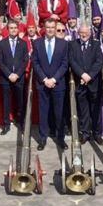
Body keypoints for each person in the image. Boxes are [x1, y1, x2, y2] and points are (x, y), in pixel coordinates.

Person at [31, 17, 69, 150]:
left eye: (53, 28)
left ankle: (60, 138)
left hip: (58, 84)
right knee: (43, 112)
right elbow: (35, 63)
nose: (51, 30)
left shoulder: (63, 44)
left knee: (59, 113)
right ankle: (42, 139)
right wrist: (44, 79)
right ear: (44, 29)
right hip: (42, 84)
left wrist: (53, 79)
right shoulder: (37, 43)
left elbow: (65, 64)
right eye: (48, 28)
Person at [69, 23, 103, 144]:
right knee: (83, 110)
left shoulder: (96, 44)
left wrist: (89, 76)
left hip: (93, 83)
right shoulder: (73, 44)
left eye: (86, 33)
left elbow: (99, 61)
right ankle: (85, 133)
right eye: (81, 33)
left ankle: (97, 134)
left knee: (95, 110)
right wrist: (82, 74)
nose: (84, 35)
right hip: (80, 82)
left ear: (90, 33)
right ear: (78, 33)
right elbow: (72, 61)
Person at [0, 18, 29, 135]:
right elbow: (0, 62)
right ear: (7, 29)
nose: (14, 30)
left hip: (19, 78)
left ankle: (21, 123)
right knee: (6, 102)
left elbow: (25, 60)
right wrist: (9, 74)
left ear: (18, 29)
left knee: (20, 102)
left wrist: (17, 74)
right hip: (6, 78)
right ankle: (6, 124)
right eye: (11, 28)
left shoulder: (24, 43)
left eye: (15, 28)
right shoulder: (1, 44)